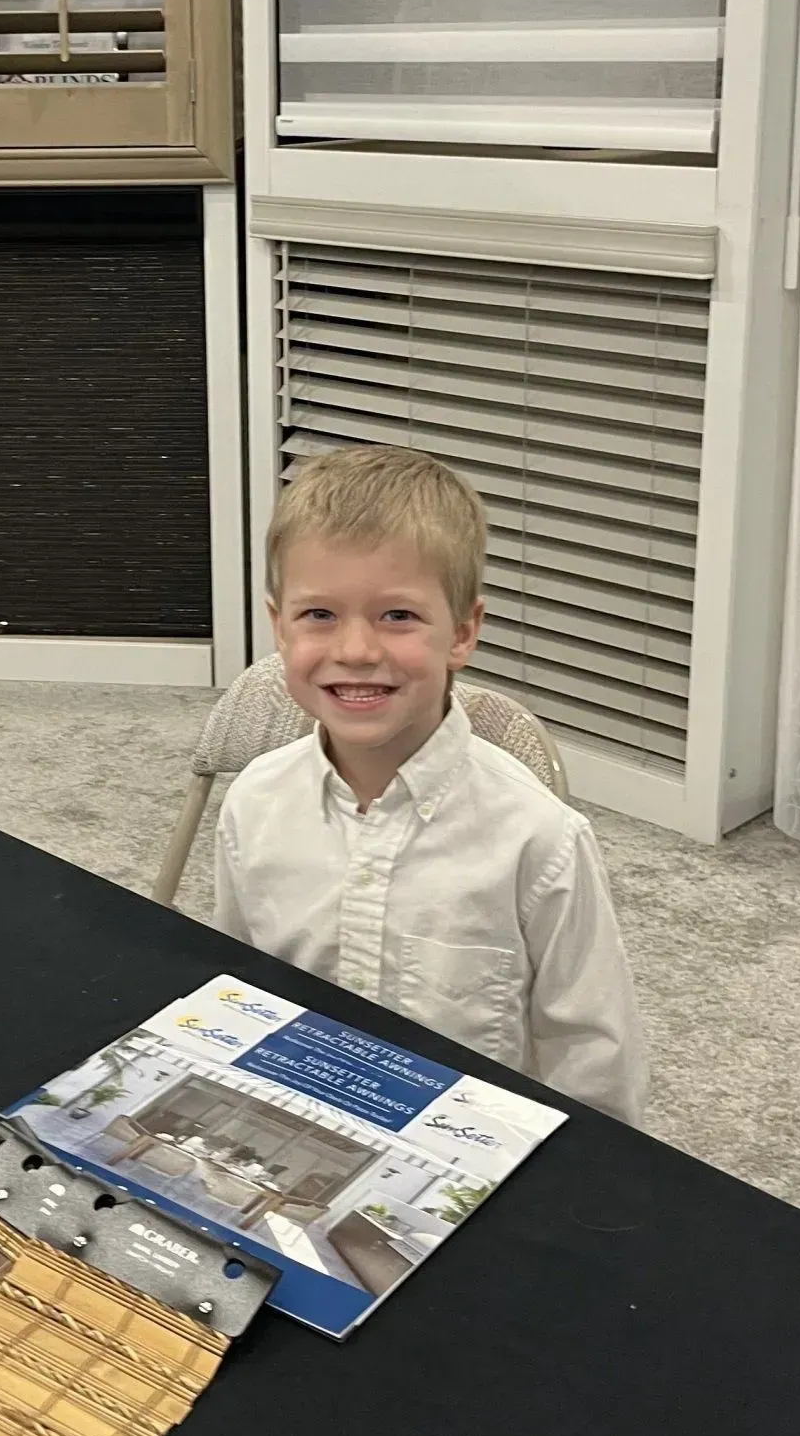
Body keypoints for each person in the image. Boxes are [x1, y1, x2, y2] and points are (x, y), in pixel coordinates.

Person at [213, 444, 649, 1124]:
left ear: (463, 633)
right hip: (285, 1126)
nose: (356, 650)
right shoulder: (254, 803)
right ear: (279, 625)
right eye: (319, 615)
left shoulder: (540, 839)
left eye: (398, 616)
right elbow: (240, 992)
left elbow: (595, 1061)